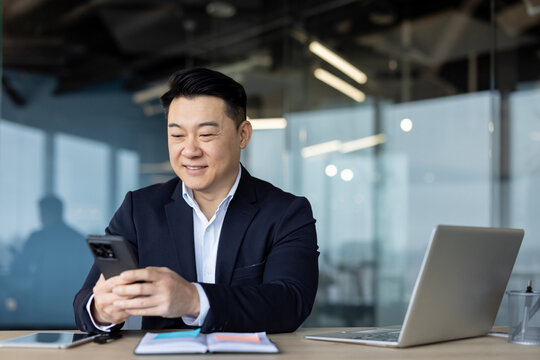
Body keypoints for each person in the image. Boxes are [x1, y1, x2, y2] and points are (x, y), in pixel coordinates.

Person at [73, 68, 319, 334]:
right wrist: (102, 310)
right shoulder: (139, 209)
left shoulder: (286, 213)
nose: (189, 150)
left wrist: (192, 299)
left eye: (206, 135)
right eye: (177, 135)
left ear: (243, 135)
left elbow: (291, 303)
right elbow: (85, 302)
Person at [11, 195, 91, 327]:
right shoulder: (77, 238)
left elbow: (19, 268)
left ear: (45, 212)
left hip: (42, 306)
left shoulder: (37, 238)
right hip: (72, 306)